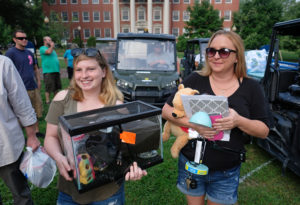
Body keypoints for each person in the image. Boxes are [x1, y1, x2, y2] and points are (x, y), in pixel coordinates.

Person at [162, 30, 270, 205]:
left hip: (226, 170)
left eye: (224, 51)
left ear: (237, 57)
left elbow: (264, 130)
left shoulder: (252, 87)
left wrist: (238, 121)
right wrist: (193, 124)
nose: (216, 56)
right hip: (191, 163)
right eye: (211, 51)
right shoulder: (195, 79)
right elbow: (166, 110)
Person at [44, 48, 147, 204]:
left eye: (91, 69)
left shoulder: (117, 106)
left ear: (104, 72)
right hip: (69, 191)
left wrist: (134, 164)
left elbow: (128, 141)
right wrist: (59, 158)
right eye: (79, 70)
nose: (84, 75)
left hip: (107, 192)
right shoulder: (63, 99)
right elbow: (50, 137)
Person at [0, 55, 40, 205]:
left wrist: (31, 135)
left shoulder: (3, 64)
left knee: (21, 195)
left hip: (6, 143)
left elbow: (21, 102)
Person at [5, 30, 44, 138]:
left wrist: (39, 80)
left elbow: (35, 68)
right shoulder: (10, 53)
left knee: (36, 109)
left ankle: (36, 131)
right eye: (21, 38)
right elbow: (6, 71)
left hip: (33, 86)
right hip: (20, 88)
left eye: (25, 38)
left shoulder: (29, 53)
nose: (24, 40)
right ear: (14, 40)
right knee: (23, 112)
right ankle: (19, 134)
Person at [39, 36, 61, 104]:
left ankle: (56, 99)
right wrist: (52, 46)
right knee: (48, 87)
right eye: (49, 40)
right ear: (45, 41)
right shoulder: (42, 48)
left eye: (51, 40)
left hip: (56, 70)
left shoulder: (53, 50)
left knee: (56, 87)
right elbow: (48, 52)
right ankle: (47, 101)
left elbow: (55, 59)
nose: (51, 41)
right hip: (48, 71)